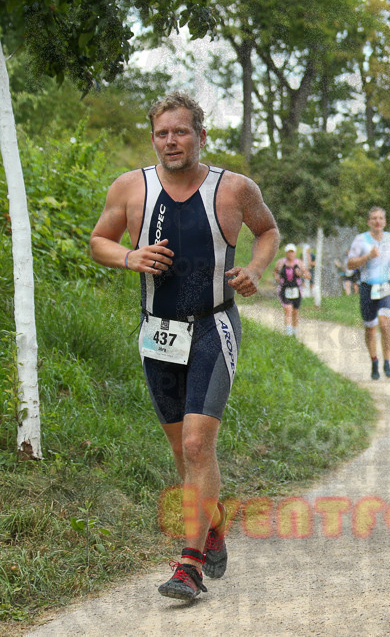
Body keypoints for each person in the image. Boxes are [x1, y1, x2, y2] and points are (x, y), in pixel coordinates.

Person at [88, 92, 280, 602]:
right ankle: (210, 522)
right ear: (153, 137)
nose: (171, 141)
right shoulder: (132, 187)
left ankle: (188, 563)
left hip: (213, 327)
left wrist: (255, 270)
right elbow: (97, 241)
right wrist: (130, 257)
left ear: (200, 134)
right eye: (162, 133)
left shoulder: (234, 188)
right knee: (180, 449)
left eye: (181, 131)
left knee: (198, 444)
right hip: (158, 331)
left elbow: (267, 231)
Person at [346, 207, 390, 380]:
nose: (377, 221)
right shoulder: (361, 240)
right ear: (369, 222)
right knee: (370, 328)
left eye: (380, 218)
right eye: (374, 219)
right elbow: (349, 264)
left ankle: (387, 362)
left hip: (386, 286)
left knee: (385, 323)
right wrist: (367, 257)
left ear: (385, 221)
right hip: (367, 287)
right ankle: (374, 362)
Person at [274, 243, 310, 336]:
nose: (291, 254)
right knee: (288, 309)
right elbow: (275, 271)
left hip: (296, 290)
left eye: (292, 252)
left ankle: (294, 333)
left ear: (295, 253)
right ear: (286, 253)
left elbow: (308, 275)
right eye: (289, 252)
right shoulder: (281, 262)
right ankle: (288, 334)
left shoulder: (299, 263)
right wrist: (277, 277)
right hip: (284, 289)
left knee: (295, 312)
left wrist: (301, 274)